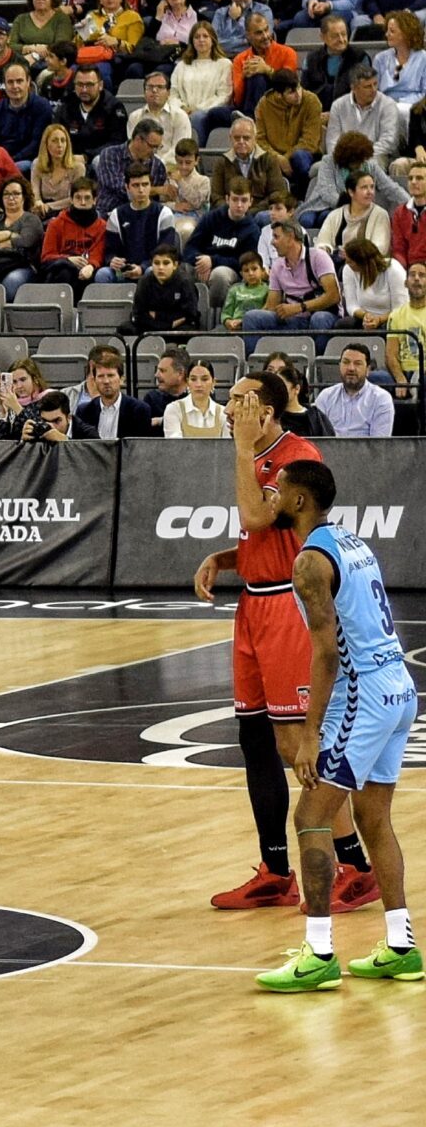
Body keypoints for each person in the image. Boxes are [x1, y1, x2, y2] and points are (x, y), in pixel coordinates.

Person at [196, 372, 375, 913]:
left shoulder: (297, 454)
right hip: (253, 602)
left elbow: (257, 514)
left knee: (298, 745)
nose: (230, 409)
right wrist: (227, 558)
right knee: (256, 740)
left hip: (287, 606)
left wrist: (241, 447)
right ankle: (275, 870)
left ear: (267, 410)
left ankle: (356, 866)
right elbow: (257, 533)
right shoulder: (257, 453)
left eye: (239, 402)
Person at [256, 460, 421, 991]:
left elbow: (326, 653)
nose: (272, 495)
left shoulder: (309, 561)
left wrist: (310, 735)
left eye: (279, 490)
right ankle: (401, 945)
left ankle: (319, 954)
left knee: (310, 816)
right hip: (400, 687)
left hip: (366, 692)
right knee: (374, 817)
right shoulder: (349, 539)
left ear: (301, 501)